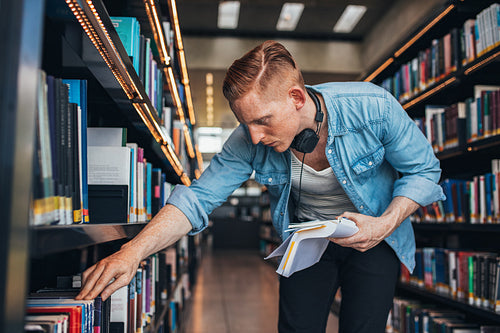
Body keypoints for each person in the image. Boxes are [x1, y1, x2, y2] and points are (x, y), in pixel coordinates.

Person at [76, 40, 445, 332]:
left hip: (376, 235)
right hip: (308, 240)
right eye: (245, 123)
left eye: (263, 120)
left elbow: (425, 171)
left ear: (297, 98)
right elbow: (197, 199)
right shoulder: (248, 140)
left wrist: (385, 222)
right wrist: (133, 252)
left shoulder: (374, 108)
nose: (253, 135)